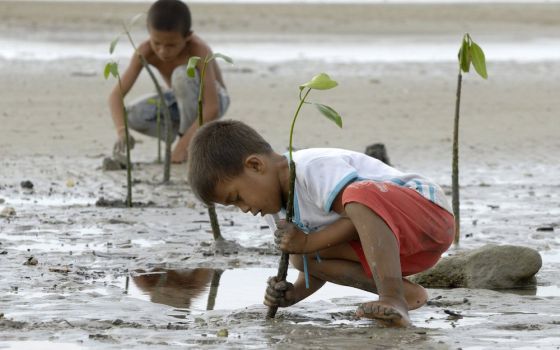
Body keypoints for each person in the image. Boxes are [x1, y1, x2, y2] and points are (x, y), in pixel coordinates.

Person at [187, 120, 454, 327]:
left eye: (237, 198)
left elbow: (361, 210)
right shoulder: (274, 209)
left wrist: (307, 241)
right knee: (298, 257)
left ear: (255, 165)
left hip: (426, 217)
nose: (244, 209)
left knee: (356, 196)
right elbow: (313, 262)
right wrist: (294, 294)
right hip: (398, 252)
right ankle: (405, 294)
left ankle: (392, 297)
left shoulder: (311, 167)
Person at [108, 0, 229, 164]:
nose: (163, 51)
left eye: (171, 45)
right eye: (157, 43)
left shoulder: (198, 50)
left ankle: (190, 144)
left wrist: (182, 147)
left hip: (214, 100)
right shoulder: (145, 52)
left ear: (188, 36)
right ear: (149, 32)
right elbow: (115, 96)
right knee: (130, 114)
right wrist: (122, 131)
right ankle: (192, 136)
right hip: (179, 101)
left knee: (181, 75)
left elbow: (212, 107)